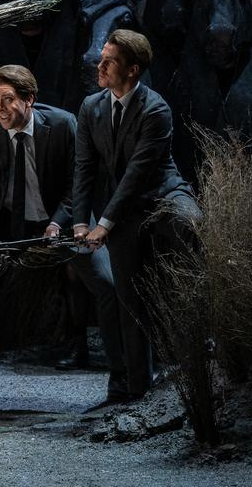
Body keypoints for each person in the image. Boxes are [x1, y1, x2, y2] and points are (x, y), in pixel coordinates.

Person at [0, 65, 123, 420]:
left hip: (64, 222)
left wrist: (56, 225)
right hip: (5, 229)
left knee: (107, 284)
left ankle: (123, 383)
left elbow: (80, 183)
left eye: (8, 100)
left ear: (29, 100)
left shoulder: (62, 126)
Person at [72, 29, 200, 400]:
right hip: (123, 208)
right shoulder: (91, 108)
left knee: (189, 223)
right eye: (102, 58)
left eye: (108, 61)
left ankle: (202, 347)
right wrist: (83, 222)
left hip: (161, 194)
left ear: (132, 70)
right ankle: (138, 391)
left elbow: (137, 175)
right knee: (128, 298)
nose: (100, 66)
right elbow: (84, 169)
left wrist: (104, 225)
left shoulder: (156, 109)